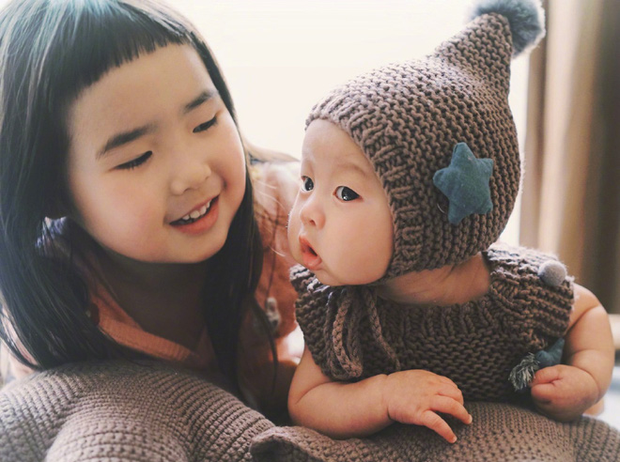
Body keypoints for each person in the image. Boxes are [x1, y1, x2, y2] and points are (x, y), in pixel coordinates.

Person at [286, 0, 615, 444]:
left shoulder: (516, 293)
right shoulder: (340, 310)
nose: (307, 210)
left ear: (428, 216)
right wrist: (381, 396)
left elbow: (588, 311)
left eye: (345, 193)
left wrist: (588, 379)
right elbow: (306, 401)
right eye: (307, 182)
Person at [0, 0, 301, 420]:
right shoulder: (53, 307)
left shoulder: (292, 211)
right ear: (51, 193)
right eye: (137, 158)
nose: (192, 174)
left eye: (205, 122)